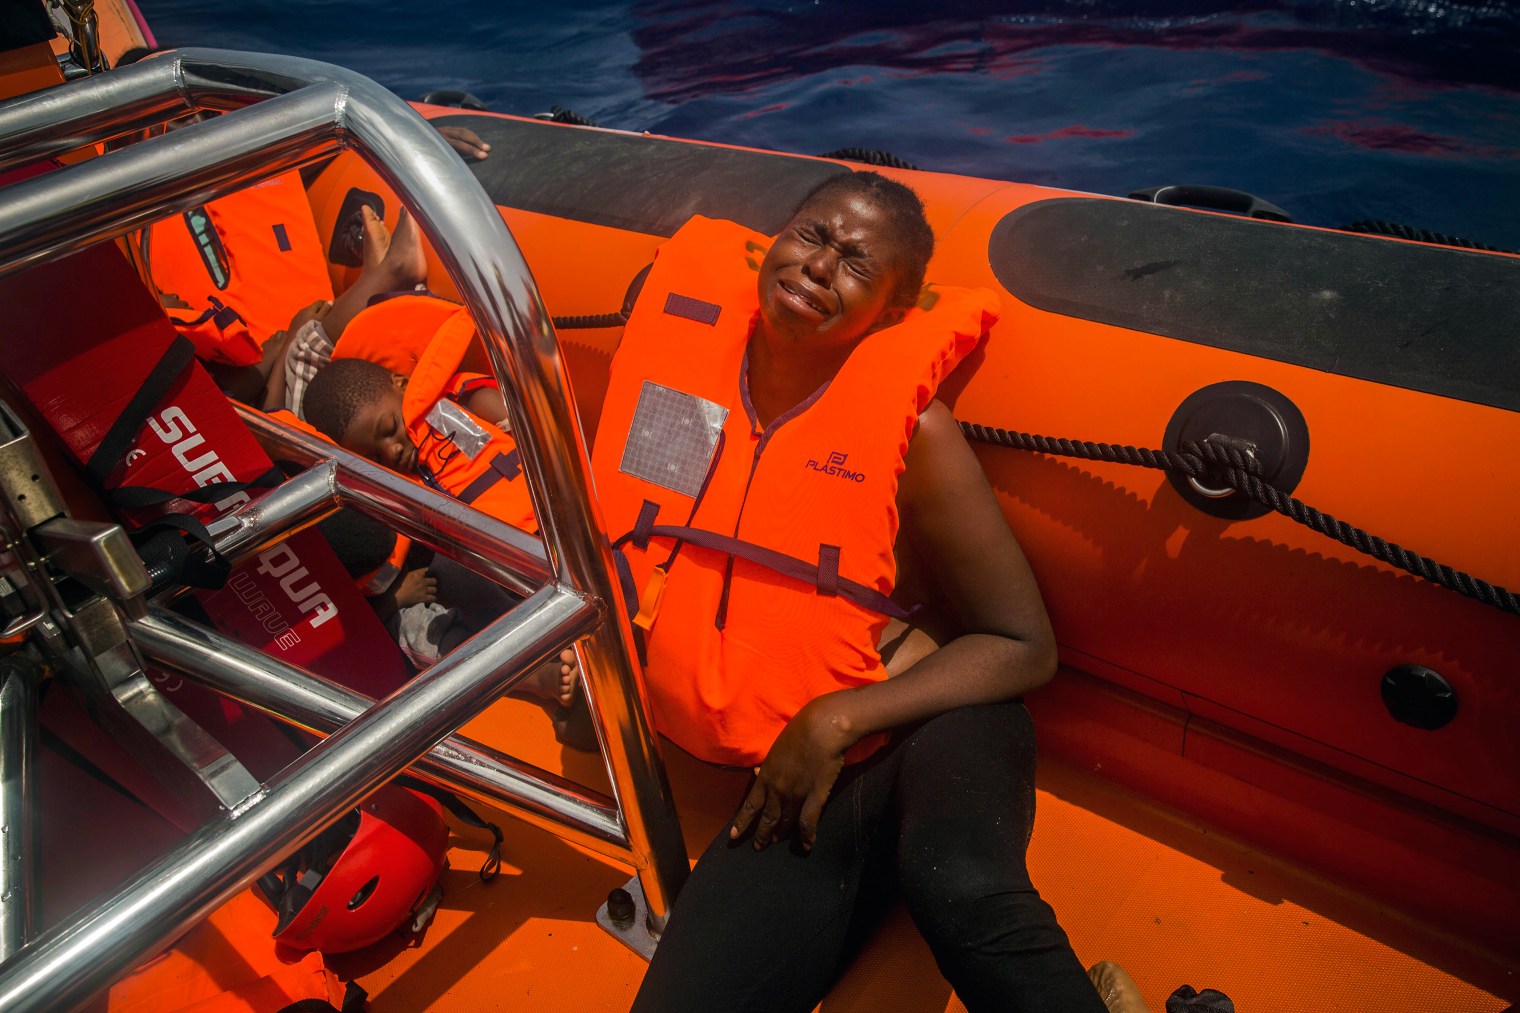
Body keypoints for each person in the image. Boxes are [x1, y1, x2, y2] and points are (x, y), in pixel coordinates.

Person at [589, 171, 1142, 1012]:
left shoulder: (915, 435)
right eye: (812, 236)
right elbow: (652, 546)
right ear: (776, 239)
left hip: (923, 722)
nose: (819, 267)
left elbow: (1024, 645)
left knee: (959, 888)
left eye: (855, 263)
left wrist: (837, 714)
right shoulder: (688, 378)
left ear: (892, 308)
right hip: (795, 778)